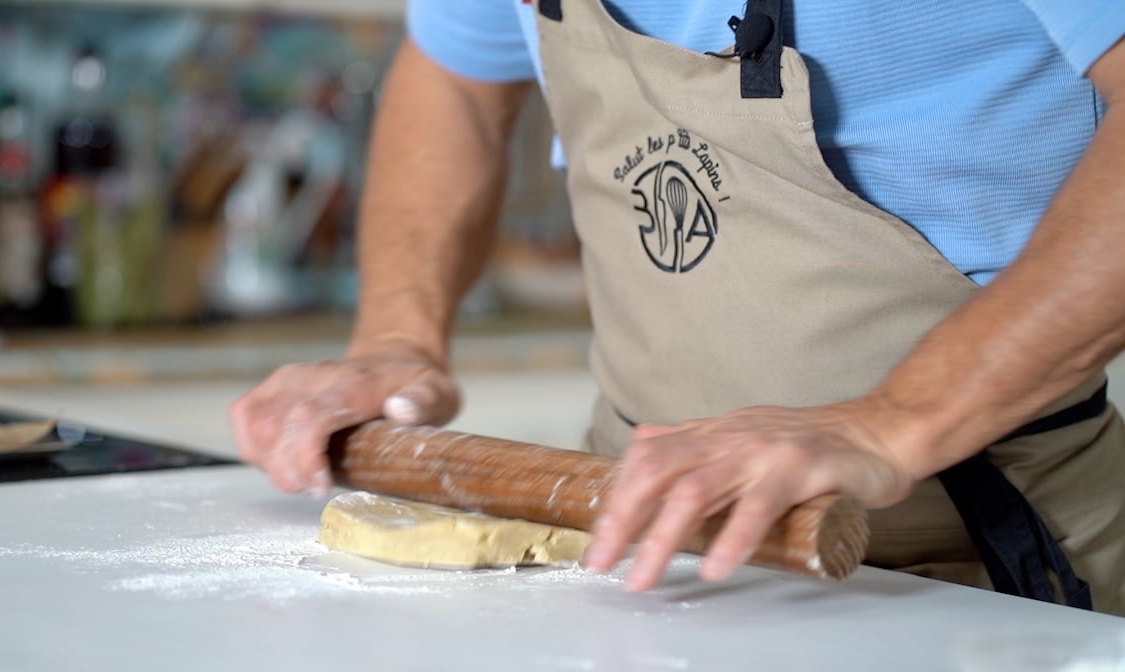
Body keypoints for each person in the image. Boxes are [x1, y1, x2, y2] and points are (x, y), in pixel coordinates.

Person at [231, 1, 1125, 615]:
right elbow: (458, 76)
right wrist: (397, 337)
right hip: (636, 553)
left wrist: (891, 422)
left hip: (987, 565)